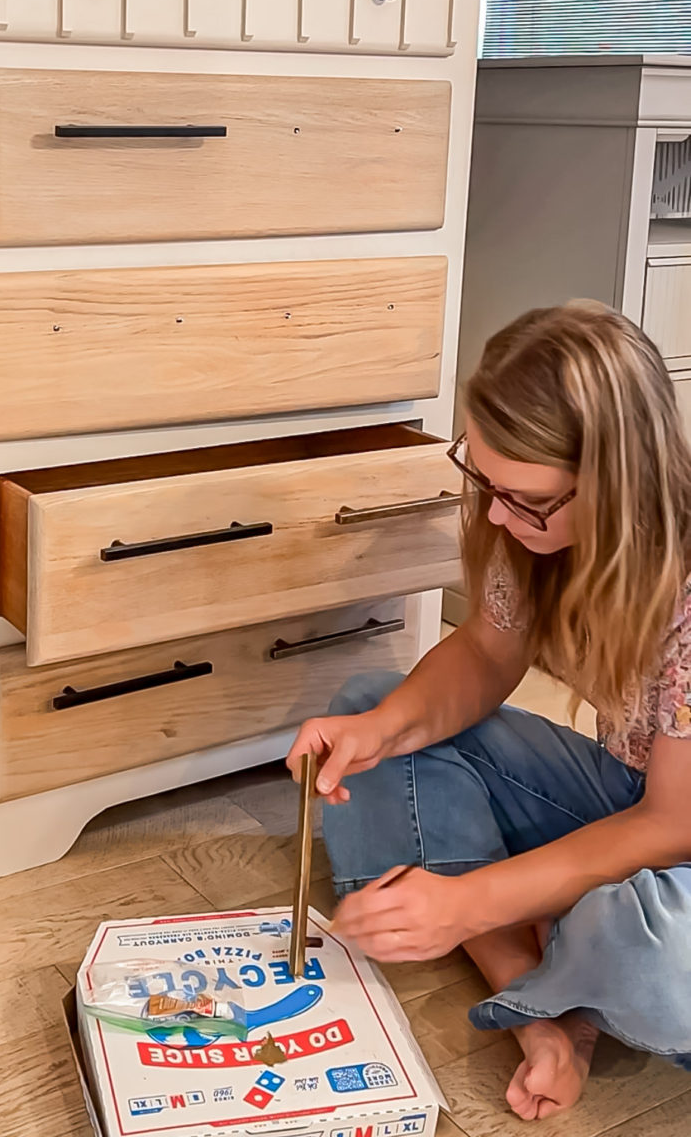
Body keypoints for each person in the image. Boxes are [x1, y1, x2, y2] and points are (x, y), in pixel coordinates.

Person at [287, 302, 691, 1122]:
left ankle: (540, 928)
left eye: (528, 499)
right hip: (627, 791)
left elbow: (670, 826)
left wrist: (468, 903)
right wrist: (384, 731)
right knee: (372, 708)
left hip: (670, 829)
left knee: (645, 949)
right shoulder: (534, 528)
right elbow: (484, 654)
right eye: (485, 478)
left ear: (620, 485)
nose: (500, 516)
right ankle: (543, 1004)